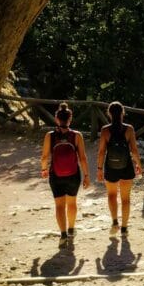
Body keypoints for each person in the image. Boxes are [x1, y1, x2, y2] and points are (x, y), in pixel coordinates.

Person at [40, 102, 90, 245]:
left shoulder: (50, 136)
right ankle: (71, 230)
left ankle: (63, 235)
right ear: (70, 119)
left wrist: (44, 169)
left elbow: (44, 157)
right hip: (73, 175)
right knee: (72, 203)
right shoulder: (77, 135)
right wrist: (86, 176)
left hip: (56, 175)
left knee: (59, 205)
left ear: (56, 119)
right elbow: (83, 158)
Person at [97, 101, 143, 236]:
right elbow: (134, 150)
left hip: (110, 167)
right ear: (123, 113)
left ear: (109, 114)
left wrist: (99, 169)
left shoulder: (105, 130)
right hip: (126, 166)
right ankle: (124, 228)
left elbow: (101, 152)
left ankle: (115, 222)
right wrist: (139, 165)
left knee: (111, 195)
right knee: (126, 199)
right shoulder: (129, 129)